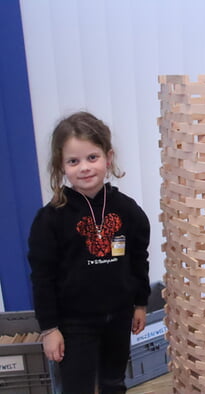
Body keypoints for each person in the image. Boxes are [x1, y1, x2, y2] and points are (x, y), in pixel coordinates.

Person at [28, 112, 151, 394]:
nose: (84, 167)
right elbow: (42, 277)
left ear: (108, 157)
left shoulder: (128, 210)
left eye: (92, 158)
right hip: (74, 323)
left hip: (119, 316)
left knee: (113, 382)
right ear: (61, 166)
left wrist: (140, 303)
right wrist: (49, 329)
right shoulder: (50, 219)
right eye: (74, 161)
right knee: (77, 387)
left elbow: (138, 258)